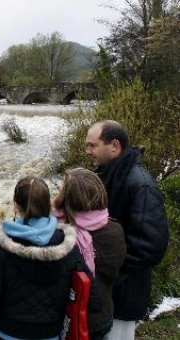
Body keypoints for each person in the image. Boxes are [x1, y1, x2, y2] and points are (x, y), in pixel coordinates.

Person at [0, 176, 87, 340]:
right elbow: (92, 297)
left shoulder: (4, 244)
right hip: (49, 333)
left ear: (16, 204)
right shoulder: (66, 243)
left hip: (8, 331)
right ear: (48, 203)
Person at [85, 120, 169, 339]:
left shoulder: (139, 184)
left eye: (93, 145)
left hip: (123, 293)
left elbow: (152, 245)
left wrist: (111, 270)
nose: (88, 151)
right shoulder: (110, 174)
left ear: (114, 145)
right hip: (107, 293)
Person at [53, 168, 126, 339]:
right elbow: (118, 271)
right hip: (102, 315)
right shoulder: (115, 230)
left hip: (66, 319)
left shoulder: (60, 234)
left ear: (66, 197)